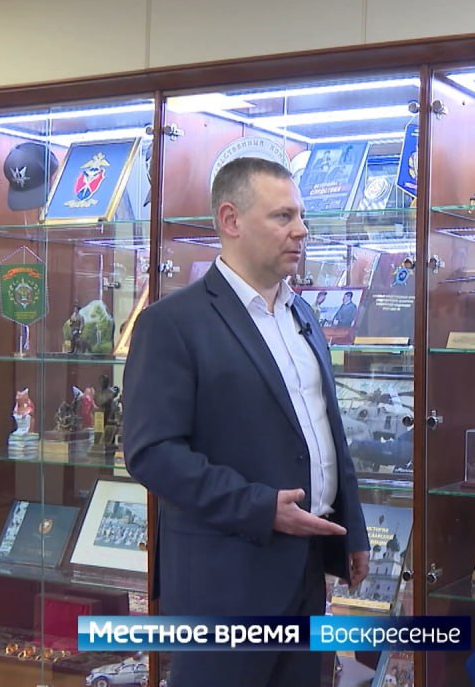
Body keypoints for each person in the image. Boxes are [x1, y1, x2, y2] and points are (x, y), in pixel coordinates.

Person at [123, 156, 370, 687]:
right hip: (223, 583)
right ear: (230, 220)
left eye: (301, 216)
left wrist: (354, 531)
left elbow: (325, 430)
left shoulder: (304, 315)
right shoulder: (172, 323)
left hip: (306, 573)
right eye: (283, 217)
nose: (301, 230)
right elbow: (151, 453)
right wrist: (259, 508)